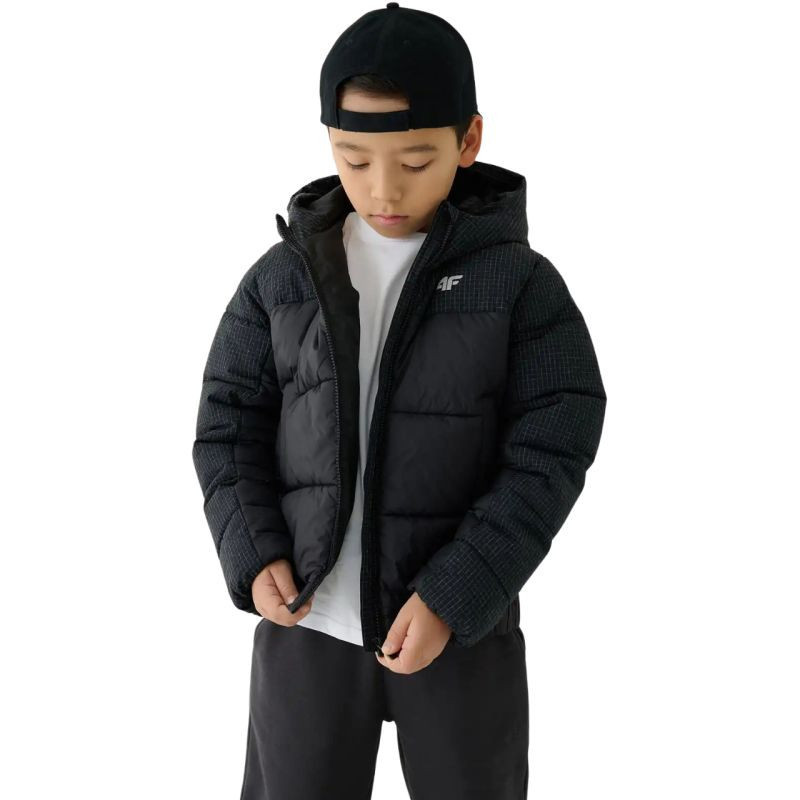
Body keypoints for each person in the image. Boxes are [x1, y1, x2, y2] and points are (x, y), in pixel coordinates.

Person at [191, 4, 607, 798]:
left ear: (469, 140)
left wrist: (460, 589)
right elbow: (227, 426)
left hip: (457, 628)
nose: (382, 188)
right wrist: (252, 550)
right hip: (307, 623)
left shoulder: (518, 286)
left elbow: (554, 444)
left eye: (416, 161)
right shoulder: (282, 278)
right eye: (354, 159)